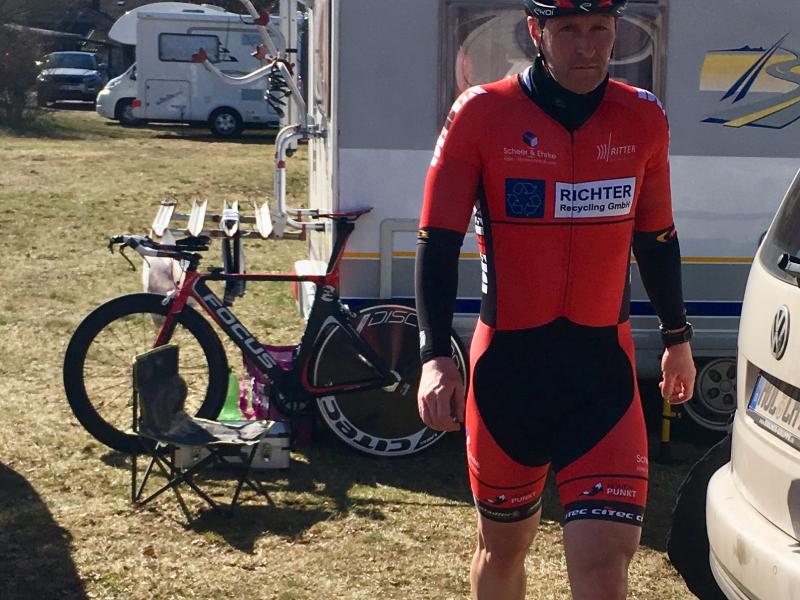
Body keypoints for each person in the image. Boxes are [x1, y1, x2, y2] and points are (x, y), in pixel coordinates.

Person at [414, 1, 696, 598]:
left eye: (600, 30)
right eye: (567, 30)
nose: (586, 46)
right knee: (502, 550)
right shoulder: (482, 113)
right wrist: (435, 354)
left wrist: (678, 340)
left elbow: (657, 238)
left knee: (604, 564)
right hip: (509, 375)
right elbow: (437, 241)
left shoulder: (642, 116)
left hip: (602, 377)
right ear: (536, 32)